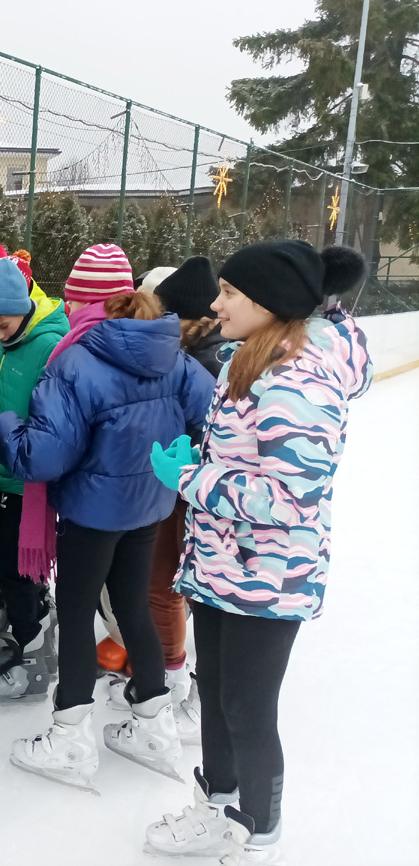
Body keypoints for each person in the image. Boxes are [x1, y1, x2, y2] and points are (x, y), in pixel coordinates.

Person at [144, 241, 371, 864]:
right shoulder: (251, 360)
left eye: (230, 293)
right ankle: (218, 803)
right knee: (217, 695)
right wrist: (204, 460)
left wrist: (191, 480)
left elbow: (290, 497)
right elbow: (247, 458)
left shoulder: (298, 381)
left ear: (269, 303)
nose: (215, 305)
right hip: (224, 563)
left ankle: (259, 833)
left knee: (247, 707)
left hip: (270, 576)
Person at [0, 244, 213, 791]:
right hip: (149, 504)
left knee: (79, 613)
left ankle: (70, 735)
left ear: (80, 300)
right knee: (132, 606)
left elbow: (44, 456)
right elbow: (211, 414)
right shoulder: (169, 350)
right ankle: (154, 725)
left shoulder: (77, 359)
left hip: (92, 512)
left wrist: (4, 425)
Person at [104, 255, 225, 736]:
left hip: (194, 492)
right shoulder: (194, 351)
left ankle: (182, 683)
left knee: (179, 589)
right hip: (179, 484)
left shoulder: (207, 360)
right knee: (165, 585)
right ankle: (170, 672)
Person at [0, 255, 68, 703]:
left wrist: (0, 424)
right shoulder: (10, 340)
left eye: (2, 326)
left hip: (28, 479)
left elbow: (51, 420)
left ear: (21, 309)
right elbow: (1, 388)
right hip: (3, 470)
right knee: (6, 566)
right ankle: (30, 640)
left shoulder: (49, 345)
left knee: (19, 570)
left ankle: (35, 663)